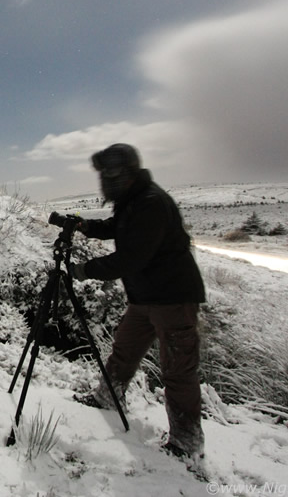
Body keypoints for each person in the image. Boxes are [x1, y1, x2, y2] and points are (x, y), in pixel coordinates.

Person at [53, 143, 206, 461]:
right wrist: (81, 224)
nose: (104, 181)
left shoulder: (150, 203)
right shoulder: (133, 200)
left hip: (173, 299)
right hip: (146, 297)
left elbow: (130, 258)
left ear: (126, 173)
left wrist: (83, 270)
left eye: (109, 174)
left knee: (177, 370)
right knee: (124, 350)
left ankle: (186, 441)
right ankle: (108, 397)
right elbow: (116, 228)